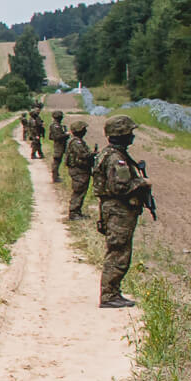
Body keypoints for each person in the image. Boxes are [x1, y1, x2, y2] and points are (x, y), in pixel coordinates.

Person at [93, 115, 151, 308]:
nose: (132, 137)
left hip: (115, 210)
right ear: (122, 134)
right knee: (118, 252)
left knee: (119, 251)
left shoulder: (111, 154)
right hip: (118, 211)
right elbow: (120, 187)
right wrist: (142, 182)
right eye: (130, 133)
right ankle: (109, 295)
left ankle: (113, 292)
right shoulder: (116, 159)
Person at [64, 119, 94, 220]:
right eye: (84, 129)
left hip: (79, 169)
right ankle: (74, 212)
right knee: (79, 191)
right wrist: (93, 154)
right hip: (78, 170)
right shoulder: (76, 142)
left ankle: (77, 211)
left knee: (80, 191)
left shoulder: (76, 141)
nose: (85, 131)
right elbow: (83, 155)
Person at [47, 111, 67, 183]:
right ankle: (55, 177)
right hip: (59, 145)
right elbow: (57, 137)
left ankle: (56, 175)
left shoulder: (56, 125)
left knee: (58, 161)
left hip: (59, 145)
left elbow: (51, 137)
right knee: (57, 161)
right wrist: (66, 135)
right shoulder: (56, 126)